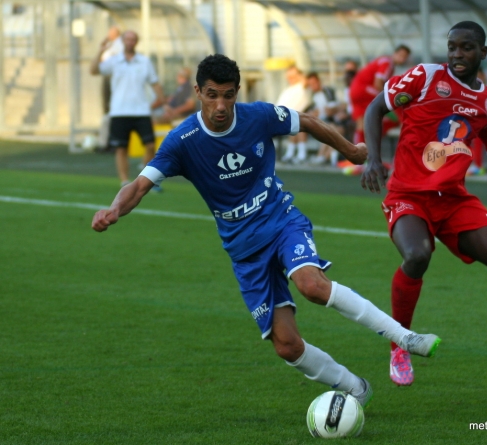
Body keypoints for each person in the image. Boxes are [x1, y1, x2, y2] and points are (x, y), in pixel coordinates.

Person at [92, 54, 441, 406]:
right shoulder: (182, 140)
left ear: (237, 92)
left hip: (281, 220)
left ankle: (405, 337)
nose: (220, 105)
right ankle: (355, 388)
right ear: (197, 92)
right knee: (287, 345)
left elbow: (305, 121)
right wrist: (114, 209)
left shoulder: (257, 116)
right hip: (244, 249)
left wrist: (350, 151)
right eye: (212, 95)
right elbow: (138, 185)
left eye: (228, 95)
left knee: (312, 285)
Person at [360, 21, 487, 386]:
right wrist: (372, 158)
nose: (457, 54)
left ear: (483, 53)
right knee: (417, 255)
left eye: (466, 48)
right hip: (408, 195)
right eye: (452, 47)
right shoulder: (424, 78)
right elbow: (374, 109)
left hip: (453, 200)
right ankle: (400, 344)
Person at [90, 30, 165, 189]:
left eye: (133, 39)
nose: (130, 42)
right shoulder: (114, 60)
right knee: (121, 148)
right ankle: (125, 182)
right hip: (119, 112)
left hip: (141, 111)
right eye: (128, 39)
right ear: (123, 41)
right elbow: (93, 71)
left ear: (136, 42)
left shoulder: (144, 61)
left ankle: (145, 179)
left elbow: (155, 82)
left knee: (151, 145)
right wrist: (100, 51)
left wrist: (163, 102)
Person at [349, 45, 411, 145]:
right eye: (400, 55)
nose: (402, 59)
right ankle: (404, 124)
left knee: (361, 124)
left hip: (354, 90)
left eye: (404, 57)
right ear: (394, 54)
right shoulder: (388, 63)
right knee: (394, 99)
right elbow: (378, 84)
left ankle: (358, 153)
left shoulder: (384, 61)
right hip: (365, 90)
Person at [276, 66, 311, 164]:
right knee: (294, 122)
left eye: (293, 76)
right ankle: (291, 153)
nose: (290, 78)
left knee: (298, 123)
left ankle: (301, 155)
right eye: (289, 76)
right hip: (283, 117)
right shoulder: (287, 90)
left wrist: (296, 72)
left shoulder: (302, 86)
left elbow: (305, 80)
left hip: (297, 116)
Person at [97, 25, 123, 152]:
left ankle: (113, 141)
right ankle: (107, 141)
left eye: (110, 32)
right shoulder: (110, 44)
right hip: (106, 74)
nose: (108, 34)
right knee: (107, 109)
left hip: (113, 76)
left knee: (112, 108)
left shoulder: (120, 44)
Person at [305, 72, 338, 165]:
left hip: (334, 121)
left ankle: (322, 156)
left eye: (314, 83)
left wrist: (321, 112)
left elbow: (332, 110)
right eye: (310, 84)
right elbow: (313, 111)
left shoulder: (327, 91)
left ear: (318, 81)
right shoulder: (313, 95)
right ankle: (323, 156)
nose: (313, 86)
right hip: (322, 121)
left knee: (329, 130)